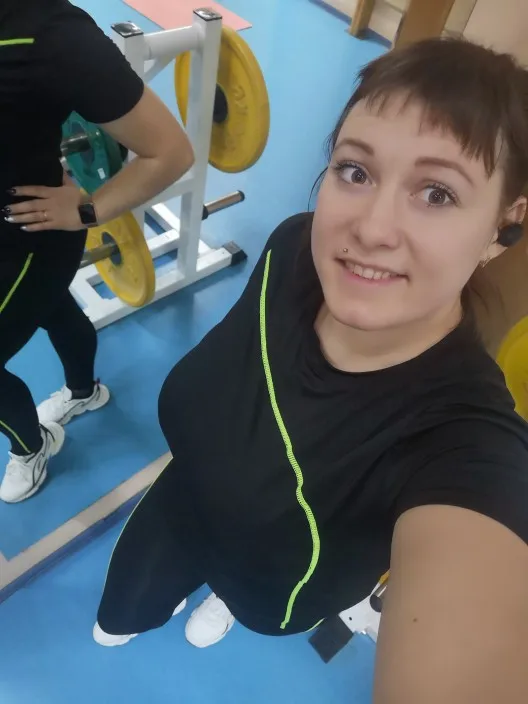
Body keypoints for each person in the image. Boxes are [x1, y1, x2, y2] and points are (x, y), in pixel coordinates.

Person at [95, 38, 528, 702]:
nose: (372, 229)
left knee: (247, 599)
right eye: (355, 171)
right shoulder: (294, 246)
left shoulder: (464, 440)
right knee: (116, 620)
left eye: (437, 192)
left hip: (272, 589)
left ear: (506, 223)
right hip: (179, 505)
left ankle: (229, 598)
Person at [0, 0, 194, 503]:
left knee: (45, 301)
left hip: (31, 235)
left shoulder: (48, 33)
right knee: (52, 308)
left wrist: (88, 209)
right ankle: (85, 393)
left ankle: (32, 446)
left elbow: (171, 152)